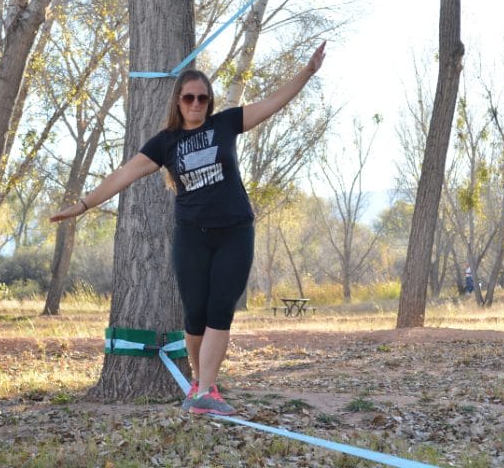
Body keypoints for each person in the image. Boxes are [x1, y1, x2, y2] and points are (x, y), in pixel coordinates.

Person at [50, 41, 327, 416]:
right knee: (195, 316)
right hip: (191, 237)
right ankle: (199, 385)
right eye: (189, 98)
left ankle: (207, 390)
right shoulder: (165, 144)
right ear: (177, 101)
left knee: (219, 311)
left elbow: (274, 102)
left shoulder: (226, 124)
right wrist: (83, 205)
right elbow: (124, 175)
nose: (196, 104)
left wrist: (307, 72)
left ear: (210, 102)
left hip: (235, 231)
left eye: (202, 98)